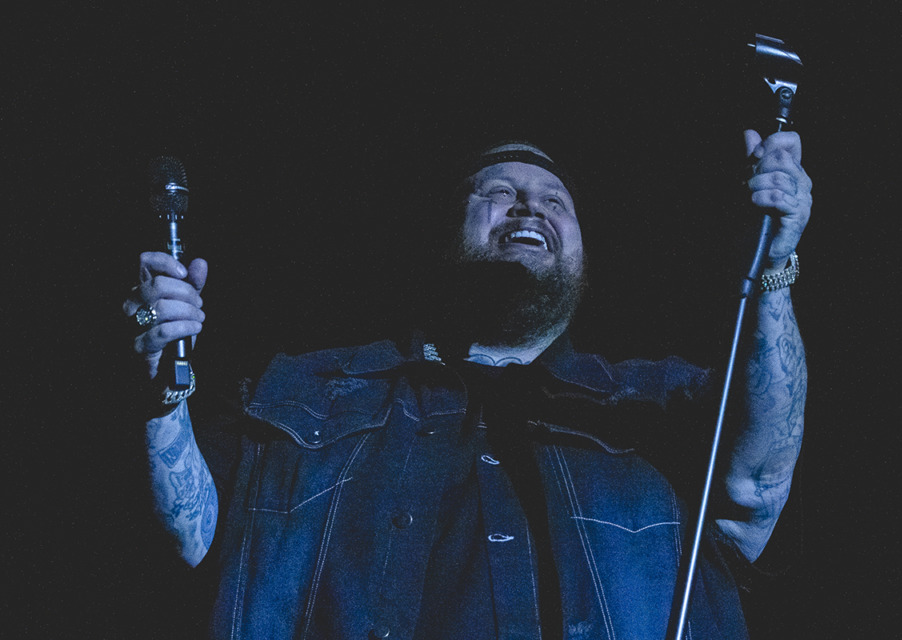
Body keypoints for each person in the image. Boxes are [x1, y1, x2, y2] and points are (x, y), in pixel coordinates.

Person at [123, 131, 811, 639]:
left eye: (553, 202)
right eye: (500, 194)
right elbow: (191, 538)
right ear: (445, 236)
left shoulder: (654, 406)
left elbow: (757, 489)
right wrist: (159, 393)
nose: (528, 208)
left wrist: (774, 267)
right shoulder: (304, 392)